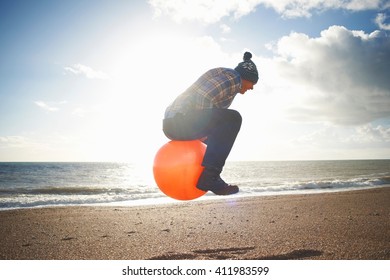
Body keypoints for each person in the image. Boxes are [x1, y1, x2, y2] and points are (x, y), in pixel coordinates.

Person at [162, 52, 259, 195]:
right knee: (233, 118)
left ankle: (204, 176)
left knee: (222, 134)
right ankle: (210, 177)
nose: (252, 88)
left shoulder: (230, 80)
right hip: (179, 122)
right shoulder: (233, 78)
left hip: (175, 124)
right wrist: (204, 128)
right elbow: (203, 97)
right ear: (247, 77)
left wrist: (205, 131)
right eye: (253, 83)